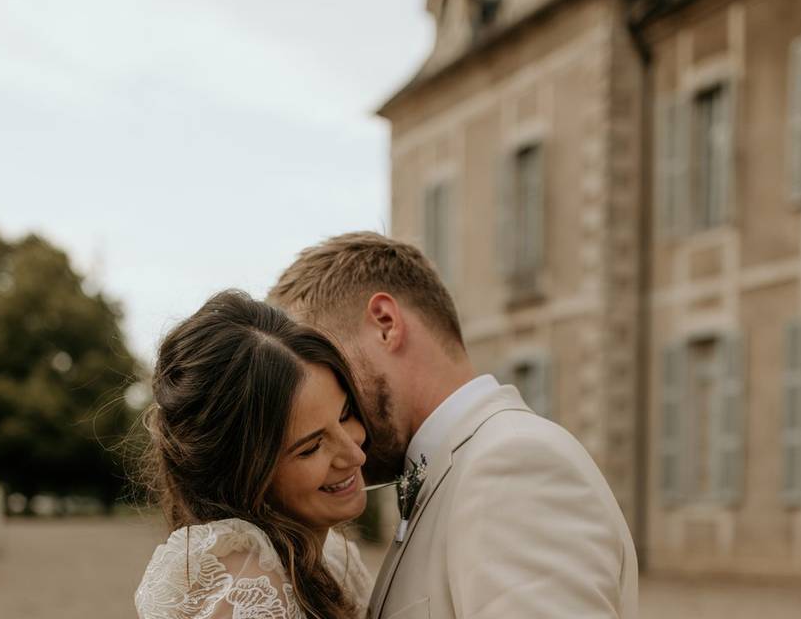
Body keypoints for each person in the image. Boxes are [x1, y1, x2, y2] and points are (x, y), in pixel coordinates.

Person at [268, 231, 638, 618]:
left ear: (385, 323)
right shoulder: (459, 469)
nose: (326, 399)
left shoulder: (512, 466)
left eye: (332, 368)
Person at [133, 290, 373, 619]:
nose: (354, 455)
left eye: (345, 414)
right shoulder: (246, 588)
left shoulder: (329, 554)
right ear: (241, 473)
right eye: (311, 447)